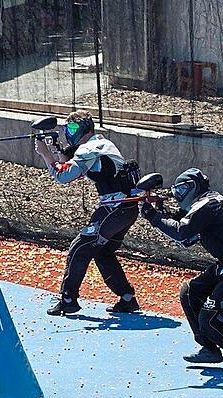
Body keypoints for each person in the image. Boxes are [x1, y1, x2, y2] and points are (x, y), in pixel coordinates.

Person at [140, 168, 223, 373]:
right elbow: (188, 238)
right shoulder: (206, 203)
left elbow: (182, 233)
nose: (178, 194)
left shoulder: (207, 204)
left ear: (193, 187)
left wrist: (155, 218)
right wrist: (161, 213)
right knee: (190, 293)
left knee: (211, 315)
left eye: (182, 189)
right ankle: (209, 348)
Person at [34, 111, 142, 316]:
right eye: (67, 130)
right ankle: (127, 298)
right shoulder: (100, 144)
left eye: (72, 129)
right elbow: (75, 164)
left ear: (84, 129)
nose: (69, 133)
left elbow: (63, 175)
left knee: (80, 248)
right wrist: (57, 150)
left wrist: (45, 154)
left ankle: (68, 300)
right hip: (125, 208)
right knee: (103, 252)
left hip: (115, 207)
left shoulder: (90, 149)